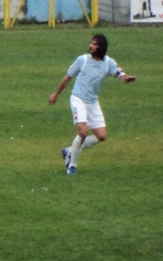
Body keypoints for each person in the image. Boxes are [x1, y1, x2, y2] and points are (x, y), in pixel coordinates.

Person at [49, 34, 136, 175]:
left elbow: (119, 74)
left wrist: (126, 78)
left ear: (101, 47)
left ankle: (69, 151)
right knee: (83, 132)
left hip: (93, 102)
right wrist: (56, 94)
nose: (91, 46)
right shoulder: (82, 60)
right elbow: (68, 77)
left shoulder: (108, 63)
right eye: (91, 43)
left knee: (101, 136)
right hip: (78, 99)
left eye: (95, 44)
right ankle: (72, 166)